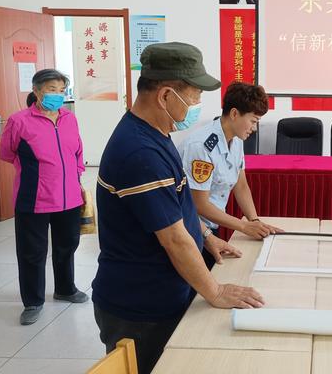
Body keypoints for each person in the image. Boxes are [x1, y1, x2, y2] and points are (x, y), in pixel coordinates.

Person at [92, 42, 263, 374]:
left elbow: (178, 204)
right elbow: (173, 238)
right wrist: (215, 290)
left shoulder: (156, 134)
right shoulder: (139, 151)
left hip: (164, 291)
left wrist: (205, 238)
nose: (198, 105)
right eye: (195, 96)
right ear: (166, 95)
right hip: (139, 306)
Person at [0, 69, 88, 326]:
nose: (57, 95)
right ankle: (33, 301)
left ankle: (65, 288)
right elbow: (6, 153)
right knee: (32, 252)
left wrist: (77, 177)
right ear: (36, 91)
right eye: (51, 89)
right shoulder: (19, 121)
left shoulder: (70, 118)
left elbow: (78, 152)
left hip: (69, 197)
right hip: (34, 198)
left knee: (67, 245)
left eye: (62, 91)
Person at [178, 82, 282, 269]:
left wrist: (254, 222)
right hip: (190, 229)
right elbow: (199, 204)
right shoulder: (201, 146)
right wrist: (243, 227)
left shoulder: (236, 138)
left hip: (211, 227)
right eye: (253, 121)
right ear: (234, 114)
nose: (254, 128)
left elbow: (240, 184)